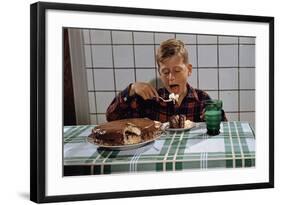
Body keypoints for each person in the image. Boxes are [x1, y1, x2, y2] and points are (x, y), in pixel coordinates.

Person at [106, 38, 226, 122]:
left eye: (177, 71)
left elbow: (223, 129)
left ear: (189, 70)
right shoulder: (150, 101)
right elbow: (111, 117)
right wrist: (130, 90)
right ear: (159, 73)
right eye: (165, 72)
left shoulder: (202, 99)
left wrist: (216, 116)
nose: (170, 77)